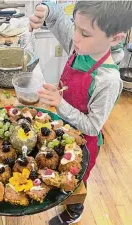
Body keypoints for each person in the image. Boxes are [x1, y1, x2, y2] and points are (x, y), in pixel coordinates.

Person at [29, 1, 132, 225]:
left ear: (115, 38)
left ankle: (74, 211)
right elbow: (57, 19)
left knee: (76, 180)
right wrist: (45, 9)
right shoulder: (81, 46)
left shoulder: (108, 80)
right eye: (75, 27)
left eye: (84, 33)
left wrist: (60, 103)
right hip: (63, 130)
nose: (75, 36)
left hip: (84, 142)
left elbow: (93, 126)